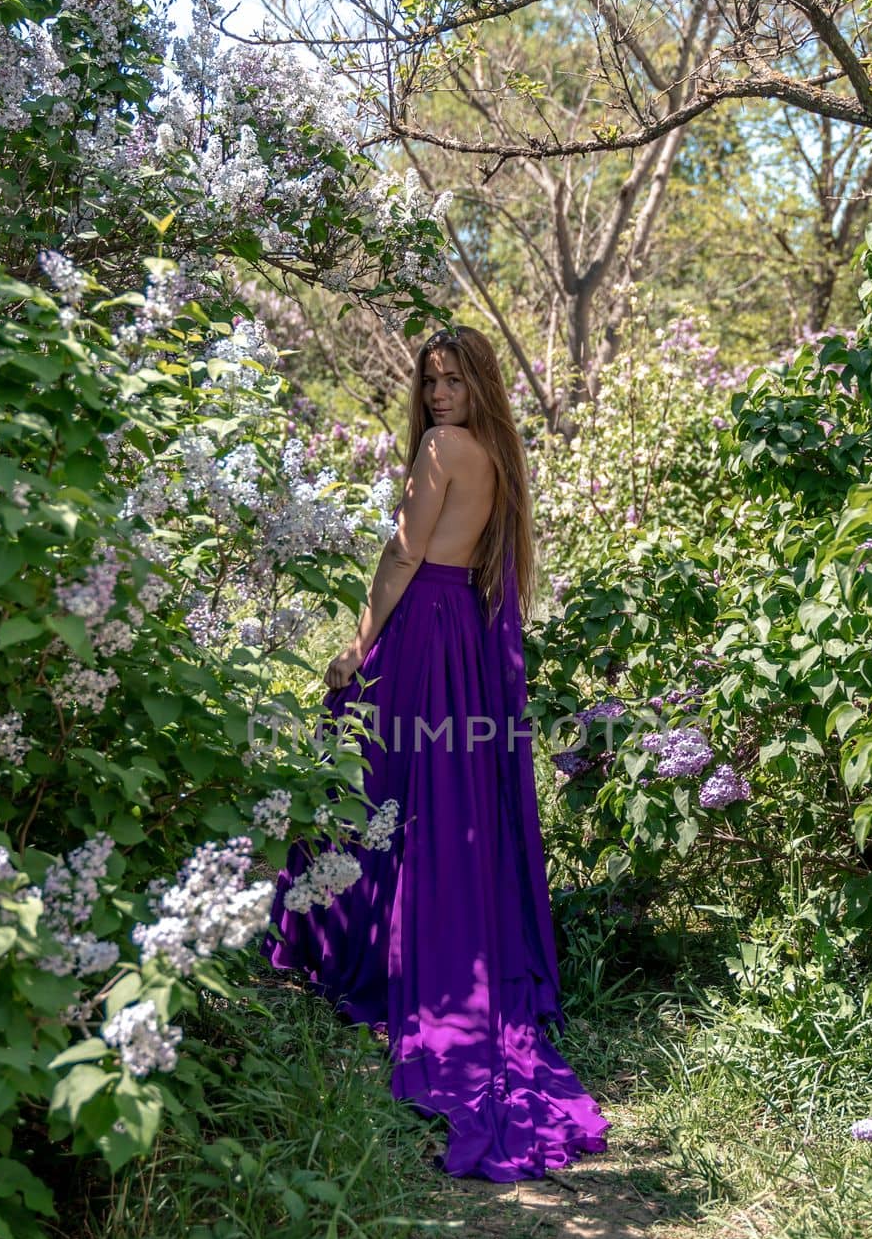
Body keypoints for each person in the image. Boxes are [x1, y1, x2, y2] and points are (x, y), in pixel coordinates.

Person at [260, 325, 610, 1180]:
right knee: (429, 797)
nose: (440, 392)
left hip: (422, 626)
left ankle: (335, 942)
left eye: (453, 380)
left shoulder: (442, 447)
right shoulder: (495, 451)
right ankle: (389, 941)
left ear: (476, 384)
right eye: (432, 381)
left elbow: (403, 553)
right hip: (465, 634)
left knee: (365, 769)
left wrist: (355, 643)